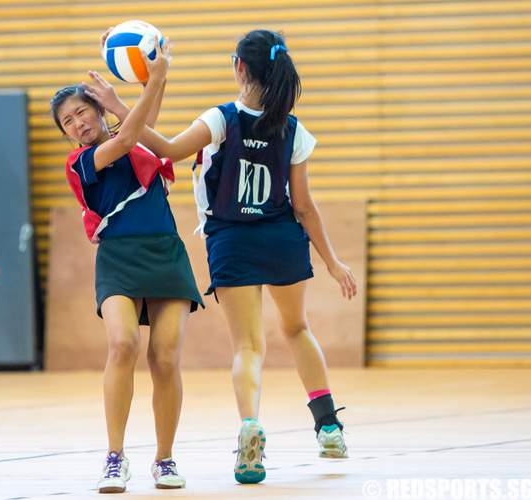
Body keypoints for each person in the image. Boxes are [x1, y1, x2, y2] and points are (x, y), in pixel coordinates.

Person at [86, 28, 358, 485]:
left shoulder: (223, 118)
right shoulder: (294, 129)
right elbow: (305, 205)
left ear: (239, 68)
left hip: (233, 240)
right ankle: (328, 426)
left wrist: (119, 108)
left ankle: (250, 424)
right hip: (282, 237)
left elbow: (168, 149)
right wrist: (332, 261)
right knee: (297, 328)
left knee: (249, 346)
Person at [50, 37, 202, 493]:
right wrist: (142, 89)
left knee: (166, 358)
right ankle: (115, 457)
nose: (78, 124)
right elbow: (132, 131)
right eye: (68, 122)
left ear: (97, 112)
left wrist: (158, 79)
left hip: (165, 254)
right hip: (117, 258)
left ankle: (165, 459)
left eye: (82, 113)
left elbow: (142, 125)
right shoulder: (81, 164)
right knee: (122, 346)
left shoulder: (128, 137)